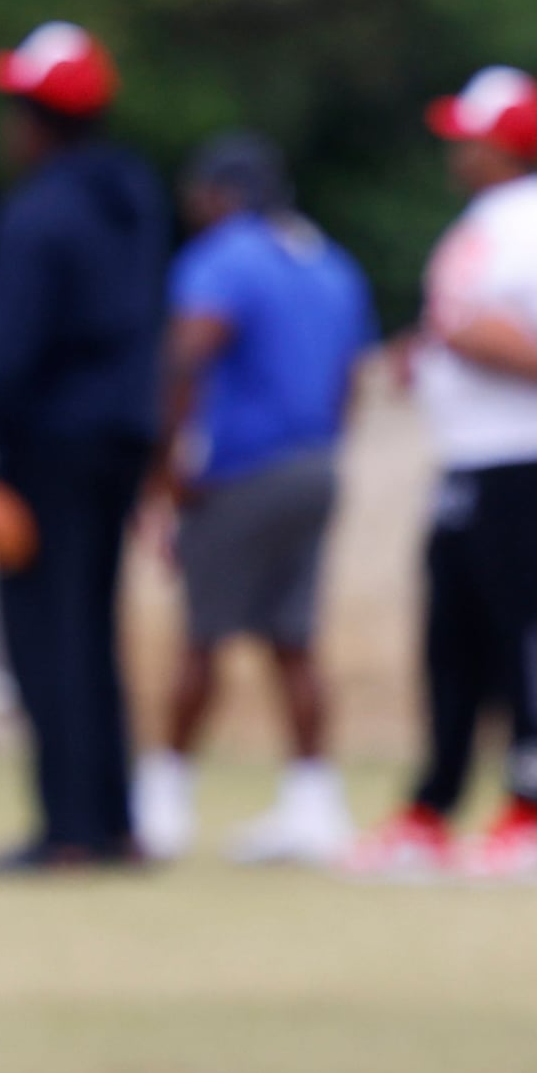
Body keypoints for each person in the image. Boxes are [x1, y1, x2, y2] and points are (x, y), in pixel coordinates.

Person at [344, 67, 537, 885]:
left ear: (508, 142)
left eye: (469, 134)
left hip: (530, 453)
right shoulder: (487, 222)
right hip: (468, 454)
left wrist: (495, 349)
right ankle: (431, 809)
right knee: (449, 635)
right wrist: (421, 357)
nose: (454, 149)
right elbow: (460, 329)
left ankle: (531, 814)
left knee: (523, 627)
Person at [0, 23, 168, 876]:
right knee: (95, 632)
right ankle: (112, 820)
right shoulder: (135, 199)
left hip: (47, 444)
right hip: (120, 439)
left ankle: (67, 830)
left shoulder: (36, 215)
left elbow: (10, 350)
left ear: (36, 121)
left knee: (47, 638)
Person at [131, 134, 374, 866]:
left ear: (219, 195)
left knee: (202, 637)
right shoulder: (329, 264)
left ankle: (164, 803)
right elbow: (350, 376)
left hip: (241, 471)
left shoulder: (225, 259)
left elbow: (187, 353)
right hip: (316, 466)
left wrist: (164, 471)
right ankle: (314, 803)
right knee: (292, 641)